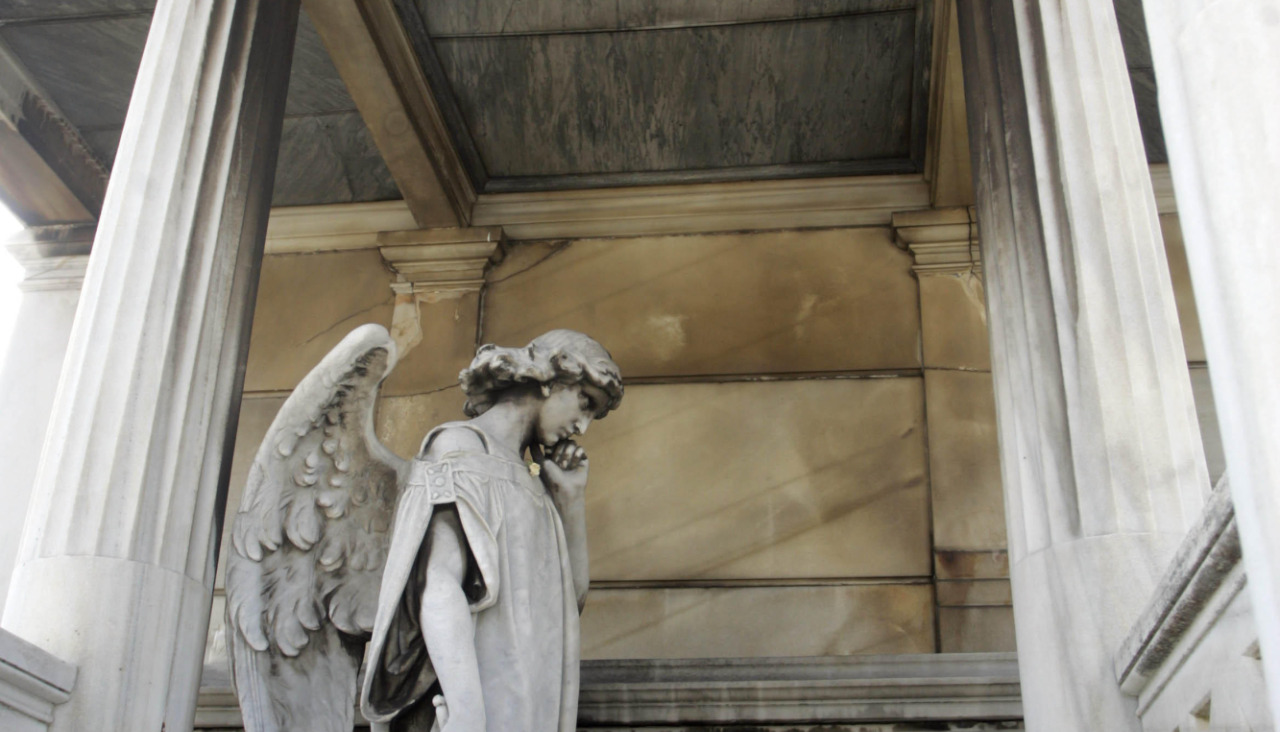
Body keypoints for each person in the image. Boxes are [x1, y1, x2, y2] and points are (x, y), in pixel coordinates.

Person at [360, 330, 623, 732]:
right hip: (477, 704)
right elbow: (439, 582)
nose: (583, 426)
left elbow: (566, 606)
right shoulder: (459, 449)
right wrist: (466, 711)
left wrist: (569, 501)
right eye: (585, 402)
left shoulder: (531, 479)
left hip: (529, 698)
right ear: (552, 378)